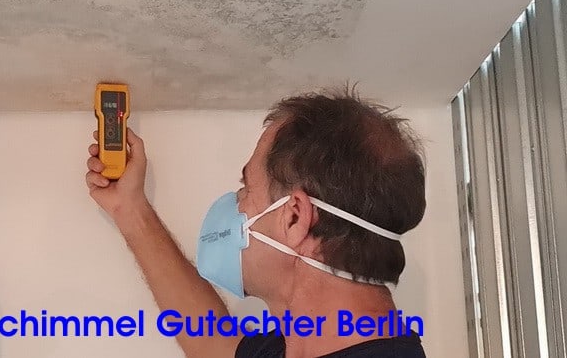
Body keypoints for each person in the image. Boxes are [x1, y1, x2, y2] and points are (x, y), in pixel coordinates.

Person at [85, 88, 427, 357]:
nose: (235, 204)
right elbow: (211, 342)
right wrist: (130, 210)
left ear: (295, 217)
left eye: (246, 189)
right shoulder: (303, 344)